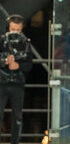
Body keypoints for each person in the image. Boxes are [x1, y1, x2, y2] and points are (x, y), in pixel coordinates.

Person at [0, 15, 32, 144]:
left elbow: (29, 64)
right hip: (1, 83)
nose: (15, 32)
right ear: (8, 27)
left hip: (18, 84)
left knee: (17, 117)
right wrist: (4, 62)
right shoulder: (1, 41)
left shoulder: (25, 43)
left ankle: (15, 141)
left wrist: (18, 65)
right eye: (13, 29)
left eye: (18, 30)